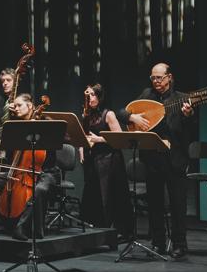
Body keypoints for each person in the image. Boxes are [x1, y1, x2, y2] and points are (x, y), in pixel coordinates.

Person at [119, 63, 195, 259]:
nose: (156, 82)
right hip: (152, 158)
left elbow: (188, 132)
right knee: (155, 204)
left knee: (178, 205)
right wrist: (133, 117)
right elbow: (122, 112)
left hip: (175, 159)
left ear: (169, 77)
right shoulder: (147, 95)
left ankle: (179, 245)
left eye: (159, 78)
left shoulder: (183, 99)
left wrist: (187, 116)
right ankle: (158, 243)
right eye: (153, 78)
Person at [0, 94, 61, 240]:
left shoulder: (44, 121)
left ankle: (22, 226)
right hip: (21, 172)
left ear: (30, 106)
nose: (15, 108)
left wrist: (44, 134)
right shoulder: (16, 123)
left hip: (46, 172)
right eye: (14, 106)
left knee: (39, 190)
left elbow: (64, 137)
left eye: (18, 105)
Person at [80, 84, 131, 237]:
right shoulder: (86, 114)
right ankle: (95, 229)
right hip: (93, 158)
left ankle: (117, 230)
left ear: (100, 97)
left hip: (110, 159)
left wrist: (98, 139)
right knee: (93, 194)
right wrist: (81, 149)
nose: (90, 98)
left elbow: (120, 137)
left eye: (93, 95)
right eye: (88, 95)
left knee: (109, 195)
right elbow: (83, 135)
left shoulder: (108, 114)